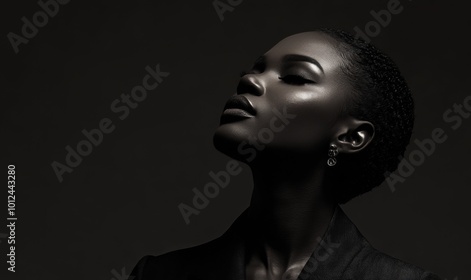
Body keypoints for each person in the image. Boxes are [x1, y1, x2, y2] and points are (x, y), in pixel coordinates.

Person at [129, 28, 442, 280]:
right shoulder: (157, 275)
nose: (249, 80)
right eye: (255, 69)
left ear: (350, 136)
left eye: (294, 77)